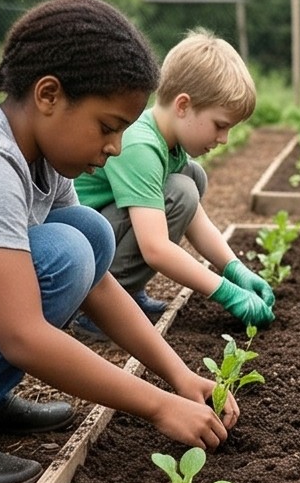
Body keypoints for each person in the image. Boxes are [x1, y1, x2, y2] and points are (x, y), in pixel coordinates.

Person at [0, 0, 238, 483]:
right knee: (61, 253)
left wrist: (178, 377)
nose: (116, 147)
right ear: (49, 96)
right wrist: (158, 406)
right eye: (108, 126)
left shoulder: (42, 157)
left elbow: (97, 287)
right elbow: (22, 335)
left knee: (89, 233)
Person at [71, 29, 273, 342]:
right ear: (182, 105)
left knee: (191, 177)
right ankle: (98, 311)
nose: (223, 139)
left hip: (99, 244)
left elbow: (198, 222)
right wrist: (225, 293)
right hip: (78, 259)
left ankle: (128, 293)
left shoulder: (170, 145)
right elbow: (156, 249)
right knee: (180, 191)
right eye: (220, 125)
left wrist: (234, 268)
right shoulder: (140, 144)